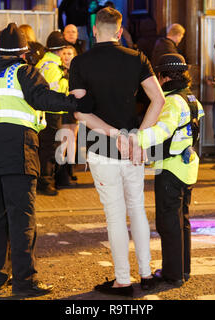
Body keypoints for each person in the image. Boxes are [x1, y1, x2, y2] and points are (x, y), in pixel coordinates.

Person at [0, 23, 89, 297]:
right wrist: (75, 102)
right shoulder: (22, 71)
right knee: (22, 217)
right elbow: (43, 98)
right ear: (23, 53)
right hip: (19, 153)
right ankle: (25, 282)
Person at [71, 7, 165, 297]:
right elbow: (158, 100)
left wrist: (115, 135)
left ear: (95, 30)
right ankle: (147, 275)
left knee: (115, 215)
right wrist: (136, 137)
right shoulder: (137, 57)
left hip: (101, 147)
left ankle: (123, 281)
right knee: (137, 208)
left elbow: (80, 115)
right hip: (133, 148)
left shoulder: (80, 62)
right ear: (120, 31)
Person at [134, 53, 204, 286]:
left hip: (171, 169)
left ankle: (173, 275)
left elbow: (162, 130)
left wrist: (137, 139)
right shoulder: (191, 98)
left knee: (168, 223)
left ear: (163, 77)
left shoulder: (172, 101)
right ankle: (183, 270)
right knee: (181, 220)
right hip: (187, 167)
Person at [36, 31, 70, 195]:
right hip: (52, 111)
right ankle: (45, 181)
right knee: (50, 148)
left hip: (43, 112)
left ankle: (44, 179)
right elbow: (56, 90)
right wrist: (67, 80)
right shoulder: (53, 66)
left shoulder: (43, 63)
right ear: (60, 50)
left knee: (44, 147)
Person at [59, 45, 79, 182]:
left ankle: (70, 169)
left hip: (74, 109)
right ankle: (61, 173)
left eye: (70, 53)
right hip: (63, 108)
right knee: (63, 141)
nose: (67, 56)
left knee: (73, 139)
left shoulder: (77, 71)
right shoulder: (58, 70)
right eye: (64, 53)